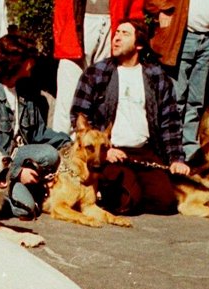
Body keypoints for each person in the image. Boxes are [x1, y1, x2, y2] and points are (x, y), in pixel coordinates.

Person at [70, 19, 190, 215]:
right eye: (116, 32)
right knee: (126, 202)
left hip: (144, 152)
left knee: (166, 202)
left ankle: (134, 189)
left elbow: (170, 121)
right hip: (110, 152)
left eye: (125, 34)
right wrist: (102, 151)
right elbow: (79, 115)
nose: (116, 38)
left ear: (139, 44)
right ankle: (114, 191)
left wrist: (176, 158)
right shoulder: (96, 73)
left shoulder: (156, 76)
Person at [0, 33, 72, 220]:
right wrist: (17, 172)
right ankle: (16, 194)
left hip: (22, 157)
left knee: (49, 154)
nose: (33, 63)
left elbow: (38, 133)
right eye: (29, 59)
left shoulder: (27, 90)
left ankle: (30, 186)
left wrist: (68, 143)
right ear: (18, 62)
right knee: (26, 210)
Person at [144, 0, 209, 160]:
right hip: (183, 35)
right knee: (177, 98)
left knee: (196, 100)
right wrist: (161, 9)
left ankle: (189, 150)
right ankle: (171, 149)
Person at [50, 0, 144, 135]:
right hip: (72, 27)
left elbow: (136, 8)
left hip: (112, 23)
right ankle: (61, 146)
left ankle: (99, 147)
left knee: (102, 97)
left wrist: (134, 33)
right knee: (67, 98)